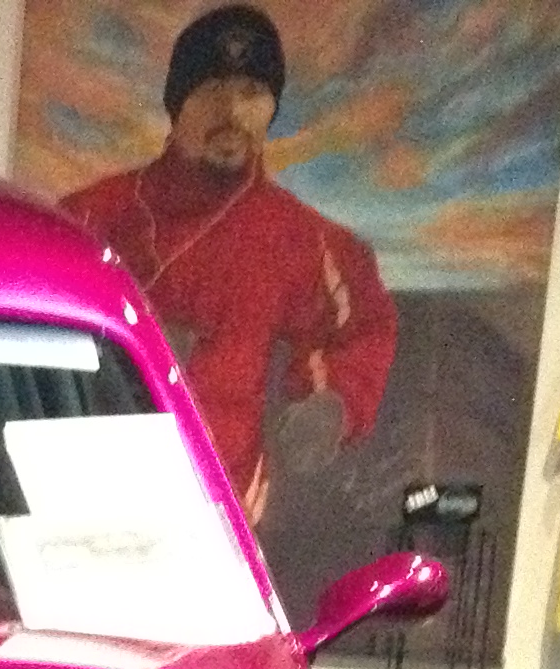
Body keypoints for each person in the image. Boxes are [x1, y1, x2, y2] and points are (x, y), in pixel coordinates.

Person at [62, 5, 397, 522]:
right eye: (213, 90)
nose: (232, 112)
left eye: (252, 93)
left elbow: (363, 327)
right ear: (178, 103)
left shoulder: (301, 238)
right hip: (87, 492)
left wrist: (331, 406)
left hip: (222, 505)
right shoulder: (90, 215)